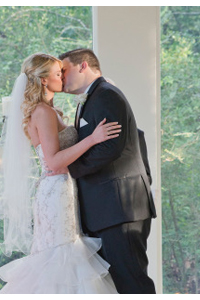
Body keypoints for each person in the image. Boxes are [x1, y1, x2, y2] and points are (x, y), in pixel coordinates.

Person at [0, 53, 122, 294]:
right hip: (55, 191)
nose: (63, 77)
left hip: (62, 188)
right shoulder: (43, 112)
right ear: (43, 80)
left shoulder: (51, 111)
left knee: (65, 253)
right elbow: (52, 163)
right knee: (60, 255)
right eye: (57, 73)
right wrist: (93, 139)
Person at [58, 48, 157, 294]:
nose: (60, 78)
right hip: (108, 209)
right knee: (115, 286)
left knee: (132, 283)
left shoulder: (106, 95)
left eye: (64, 70)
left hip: (120, 209)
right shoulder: (93, 98)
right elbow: (137, 139)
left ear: (83, 66)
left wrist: (71, 169)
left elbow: (111, 147)